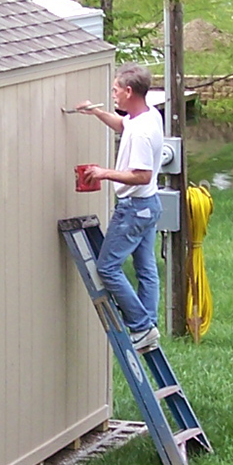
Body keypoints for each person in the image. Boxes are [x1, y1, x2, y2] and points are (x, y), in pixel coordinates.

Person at [72, 65, 166, 351]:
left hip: (134, 208)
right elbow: (123, 125)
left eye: (115, 90)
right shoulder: (147, 116)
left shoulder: (141, 134)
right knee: (145, 267)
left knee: (108, 267)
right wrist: (97, 113)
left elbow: (142, 175)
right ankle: (148, 325)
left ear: (128, 91)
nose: (112, 95)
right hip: (150, 205)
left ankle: (139, 325)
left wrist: (104, 173)